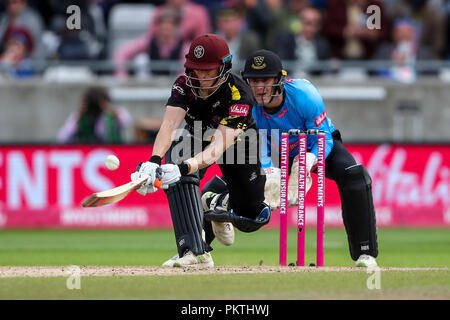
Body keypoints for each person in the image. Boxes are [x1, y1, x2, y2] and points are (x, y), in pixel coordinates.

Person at [130, 34, 271, 268]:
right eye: (197, 70)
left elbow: (217, 148)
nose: (202, 77)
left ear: (223, 68)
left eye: (208, 70)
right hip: (197, 133)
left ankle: (216, 199)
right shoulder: (184, 84)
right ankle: (194, 252)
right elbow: (169, 125)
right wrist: (153, 162)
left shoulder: (240, 94)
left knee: (251, 216)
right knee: (174, 161)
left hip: (238, 142)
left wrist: (184, 167)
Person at [241, 49, 379, 268]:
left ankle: (365, 254)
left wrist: (310, 160)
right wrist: (269, 174)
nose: (259, 88)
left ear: (279, 79)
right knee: (239, 186)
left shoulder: (304, 94)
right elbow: (259, 148)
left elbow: (324, 136)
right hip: (282, 153)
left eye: (265, 80)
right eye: (253, 81)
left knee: (355, 177)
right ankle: (199, 251)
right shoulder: (248, 105)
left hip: (318, 145)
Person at [57, 87, 131, 144]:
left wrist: (109, 108)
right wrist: (79, 116)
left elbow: (126, 121)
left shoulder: (111, 116)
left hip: (113, 154)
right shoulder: (78, 117)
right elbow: (62, 137)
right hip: (86, 153)